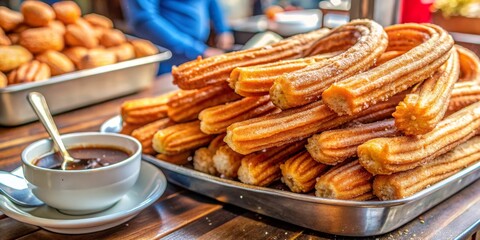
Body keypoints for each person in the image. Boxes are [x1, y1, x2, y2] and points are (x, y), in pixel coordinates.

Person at [122, 0, 234, 74]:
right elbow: (143, 20)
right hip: (165, 63)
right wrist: (197, 50)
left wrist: (223, 29)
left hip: (197, 53)